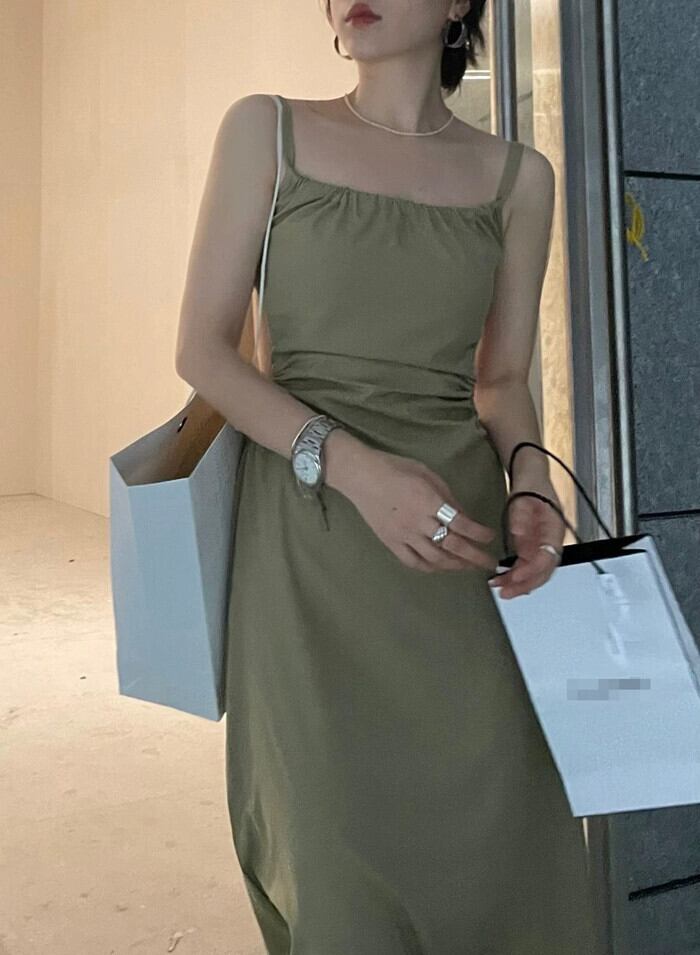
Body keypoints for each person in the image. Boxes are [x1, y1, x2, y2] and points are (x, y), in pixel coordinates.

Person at [175, 2, 605, 952]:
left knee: (501, 851)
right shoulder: (266, 131)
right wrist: (354, 467)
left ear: (458, 4)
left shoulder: (519, 178)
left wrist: (532, 486)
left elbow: (500, 383)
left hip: (461, 557)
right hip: (310, 550)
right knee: (337, 871)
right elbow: (204, 353)